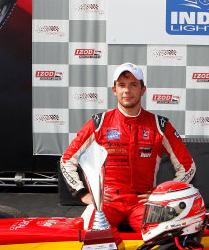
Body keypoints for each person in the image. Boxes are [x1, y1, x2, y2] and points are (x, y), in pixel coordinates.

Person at [60, 62, 196, 231]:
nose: (127, 91)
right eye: (122, 85)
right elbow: (67, 159)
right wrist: (82, 194)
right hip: (107, 202)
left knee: (164, 234)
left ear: (143, 89)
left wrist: (164, 195)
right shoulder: (99, 123)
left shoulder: (159, 125)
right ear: (114, 90)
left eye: (133, 85)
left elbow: (188, 166)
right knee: (86, 233)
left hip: (142, 203)